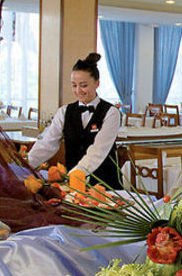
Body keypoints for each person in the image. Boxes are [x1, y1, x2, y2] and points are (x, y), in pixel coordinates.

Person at [27, 53, 122, 188]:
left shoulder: (111, 113)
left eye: (83, 85)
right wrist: (25, 165)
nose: (78, 91)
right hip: (73, 187)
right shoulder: (64, 111)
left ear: (97, 83)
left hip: (106, 185)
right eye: (74, 85)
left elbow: (98, 151)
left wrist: (71, 176)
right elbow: (47, 143)